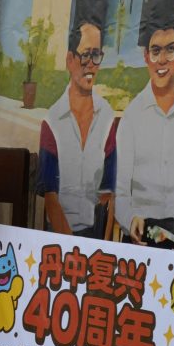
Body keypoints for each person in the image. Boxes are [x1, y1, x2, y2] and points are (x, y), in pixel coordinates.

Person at [115, 0, 174, 252]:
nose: (162, 60)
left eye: (170, 49)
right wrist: (130, 220)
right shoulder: (132, 116)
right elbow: (121, 192)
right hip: (140, 235)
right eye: (155, 51)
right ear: (146, 55)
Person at [37, 20, 117, 239]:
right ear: (70, 59)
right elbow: (50, 196)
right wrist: (70, 247)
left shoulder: (107, 117)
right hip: (59, 235)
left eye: (96, 55)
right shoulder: (52, 121)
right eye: (85, 55)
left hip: (96, 236)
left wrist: (104, 246)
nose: (91, 64)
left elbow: (109, 195)